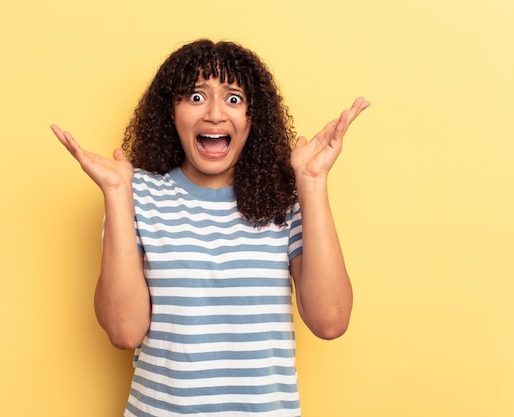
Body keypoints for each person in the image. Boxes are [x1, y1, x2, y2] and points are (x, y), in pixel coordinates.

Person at [51, 39, 370, 417]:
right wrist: (118, 193)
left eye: (233, 98)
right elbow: (124, 331)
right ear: (171, 112)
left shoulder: (286, 198)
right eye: (196, 97)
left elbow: (330, 320)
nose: (215, 114)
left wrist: (313, 180)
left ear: (254, 117)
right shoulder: (135, 194)